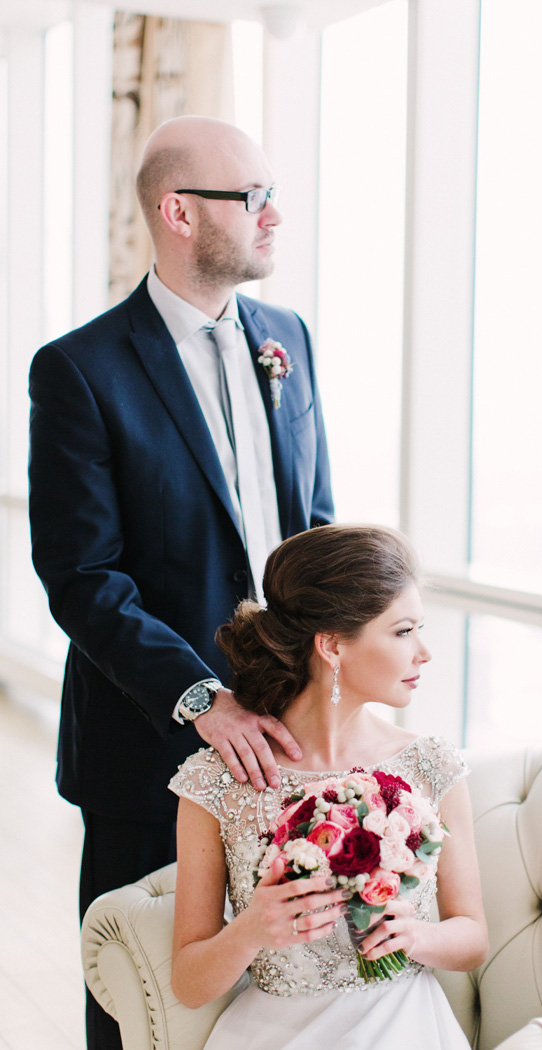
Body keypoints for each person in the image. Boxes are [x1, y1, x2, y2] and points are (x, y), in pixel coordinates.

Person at [28, 115, 333, 1050]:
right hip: (144, 739)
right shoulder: (80, 369)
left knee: (274, 974)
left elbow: (313, 524)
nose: (276, 215)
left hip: (288, 734)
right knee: (145, 991)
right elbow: (82, 577)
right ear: (178, 212)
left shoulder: (289, 339)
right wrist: (200, 700)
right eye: (253, 198)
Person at [169, 524, 488, 1050]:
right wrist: (251, 930)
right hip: (275, 1033)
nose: (424, 653)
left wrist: (416, 936)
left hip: (405, 1027)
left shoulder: (431, 764)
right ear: (332, 645)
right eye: (403, 631)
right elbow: (189, 983)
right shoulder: (218, 781)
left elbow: (473, 937)